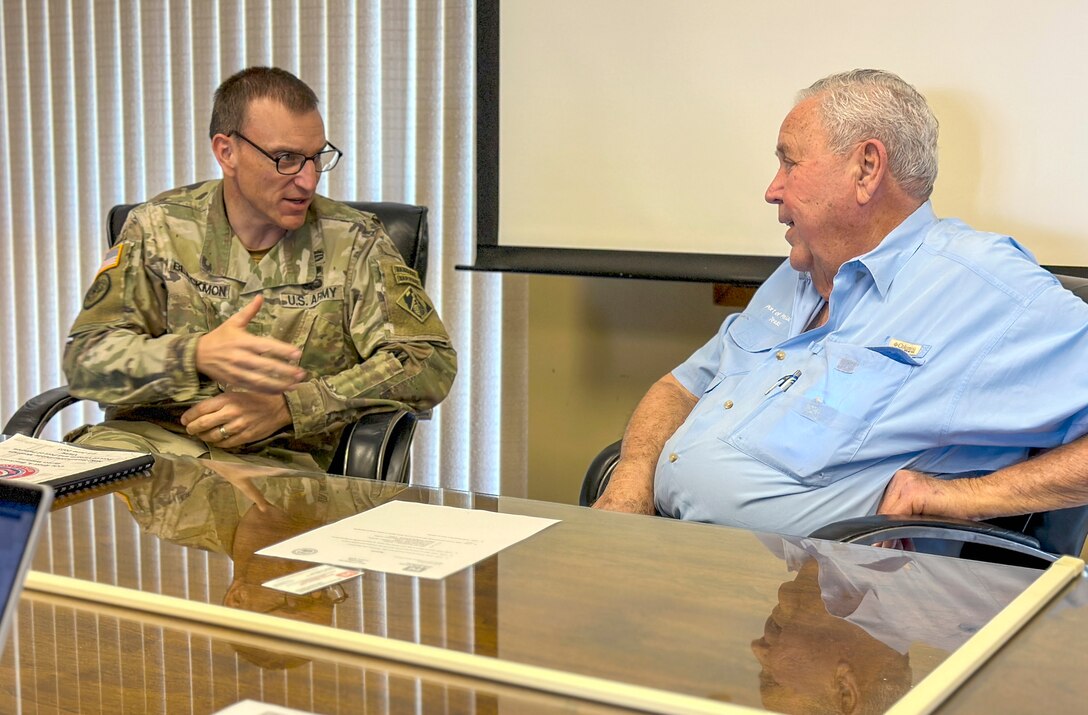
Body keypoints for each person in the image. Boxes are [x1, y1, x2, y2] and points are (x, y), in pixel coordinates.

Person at [593, 69, 1088, 536]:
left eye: (789, 162)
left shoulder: (980, 286)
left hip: (814, 600)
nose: (772, 190)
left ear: (867, 168)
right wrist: (632, 480)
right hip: (668, 553)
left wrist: (962, 498)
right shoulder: (801, 273)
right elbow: (680, 388)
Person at [62, 66, 456, 471]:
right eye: (286, 159)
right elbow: (85, 364)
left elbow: (427, 361)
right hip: (146, 455)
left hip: (275, 467)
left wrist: (291, 406)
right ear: (226, 151)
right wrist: (193, 355)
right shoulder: (158, 227)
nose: (307, 180)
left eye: (316, 158)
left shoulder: (353, 241)